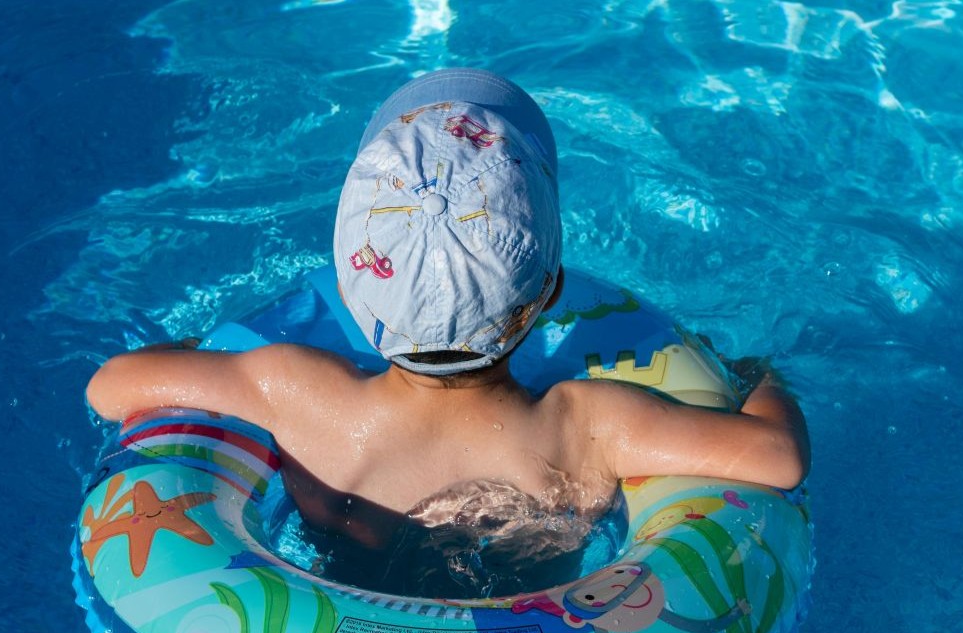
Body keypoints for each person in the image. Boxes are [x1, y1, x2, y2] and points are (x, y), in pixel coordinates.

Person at [85, 68, 808, 592]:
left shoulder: (293, 390)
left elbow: (112, 386)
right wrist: (753, 375)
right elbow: (777, 457)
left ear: (348, 289)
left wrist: (192, 347)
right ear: (548, 293)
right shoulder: (587, 427)